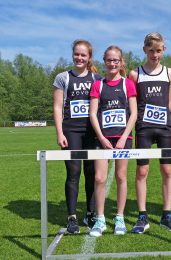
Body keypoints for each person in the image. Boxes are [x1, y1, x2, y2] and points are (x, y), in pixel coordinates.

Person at [129, 32, 171, 233]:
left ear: (164, 50)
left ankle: (166, 214)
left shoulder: (170, 73)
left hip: (164, 128)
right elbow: (132, 102)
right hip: (144, 128)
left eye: (158, 50)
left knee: (167, 170)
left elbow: (169, 103)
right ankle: (142, 216)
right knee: (142, 171)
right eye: (151, 50)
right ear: (144, 50)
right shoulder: (135, 74)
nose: (155, 54)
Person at [53, 39, 101, 234]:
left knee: (91, 173)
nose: (79, 57)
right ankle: (71, 217)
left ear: (89, 57)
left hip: (91, 132)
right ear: (73, 55)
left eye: (83, 55)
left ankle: (90, 213)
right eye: (77, 54)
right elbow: (57, 107)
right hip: (70, 131)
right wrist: (59, 132)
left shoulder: (97, 79)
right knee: (73, 173)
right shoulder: (62, 77)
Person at [89, 46, 137, 237]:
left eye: (116, 60)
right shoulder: (98, 84)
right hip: (102, 138)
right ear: (104, 61)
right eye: (109, 60)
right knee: (99, 178)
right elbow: (93, 113)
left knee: (121, 177)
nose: (112, 63)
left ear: (121, 62)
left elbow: (133, 113)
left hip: (123, 138)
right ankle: (100, 219)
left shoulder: (128, 84)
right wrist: (101, 137)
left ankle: (119, 217)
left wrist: (124, 137)